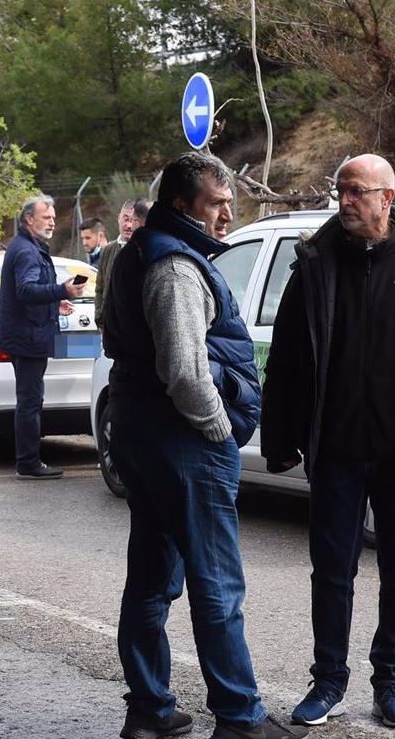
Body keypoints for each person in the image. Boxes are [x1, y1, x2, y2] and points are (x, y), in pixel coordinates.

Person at [260, 154, 395, 731]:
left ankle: (391, 683)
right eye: (341, 192)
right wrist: (280, 440)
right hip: (335, 449)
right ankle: (328, 680)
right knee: (331, 570)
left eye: (357, 192)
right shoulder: (314, 265)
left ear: (389, 197)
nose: (346, 202)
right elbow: (284, 363)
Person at [104, 153, 298, 739]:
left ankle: (150, 711)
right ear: (183, 203)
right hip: (183, 442)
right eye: (217, 203)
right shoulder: (175, 268)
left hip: (145, 436)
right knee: (216, 584)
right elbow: (185, 372)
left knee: (152, 577)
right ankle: (240, 719)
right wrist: (217, 431)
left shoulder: (145, 251)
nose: (227, 214)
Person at [0, 194, 85, 480]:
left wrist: (54, 302)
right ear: (29, 219)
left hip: (31, 334)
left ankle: (28, 460)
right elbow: (26, 290)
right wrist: (61, 291)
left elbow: (29, 292)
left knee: (30, 399)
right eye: (47, 217)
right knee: (30, 401)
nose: (52, 222)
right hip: (28, 337)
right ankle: (28, 462)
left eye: (54, 218)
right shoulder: (26, 251)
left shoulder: (28, 246)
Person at [94, 198, 150, 330]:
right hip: (111, 329)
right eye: (125, 219)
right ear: (119, 218)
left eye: (133, 220)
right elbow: (100, 287)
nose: (129, 225)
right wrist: (100, 320)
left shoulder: (146, 249)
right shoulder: (108, 250)